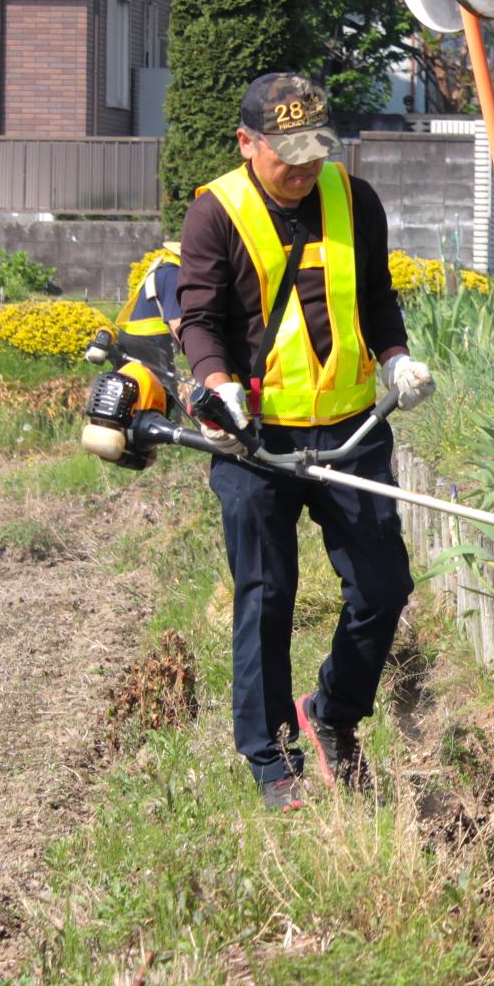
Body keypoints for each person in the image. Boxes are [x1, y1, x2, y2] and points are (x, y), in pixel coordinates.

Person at [177, 73, 436, 811]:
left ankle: (332, 714)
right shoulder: (214, 213)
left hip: (351, 426)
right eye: (285, 153)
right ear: (247, 143)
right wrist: (216, 381)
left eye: (315, 150)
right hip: (254, 438)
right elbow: (199, 315)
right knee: (267, 592)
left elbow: (377, 294)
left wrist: (395, 358)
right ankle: (268, 761)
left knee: (384, 586)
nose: (302, 167)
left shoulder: (355, 200)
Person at [113, 240, 184, 400]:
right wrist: (195, 353)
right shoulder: (175, 275)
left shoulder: (162, 268)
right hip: (149, 343)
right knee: (165, 395)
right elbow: (175, 321)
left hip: (129, 338)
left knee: (130, 394)